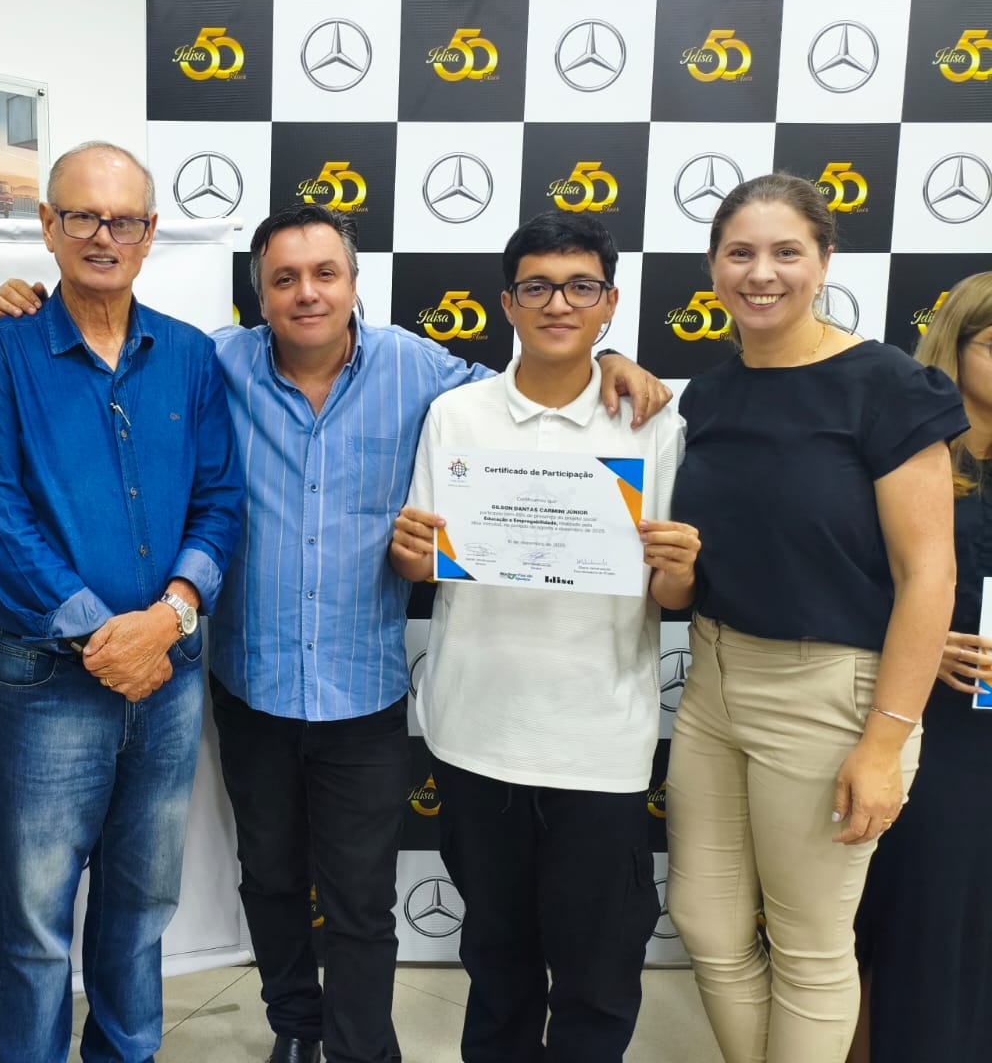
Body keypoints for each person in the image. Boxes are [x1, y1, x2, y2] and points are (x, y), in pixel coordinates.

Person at [0, 203, 671, 1063]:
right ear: (260, 295)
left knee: (360, 904)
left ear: (353, 284)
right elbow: (108, 357)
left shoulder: (418, 369)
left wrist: (608, 358)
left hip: (363, 692)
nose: (306, 292)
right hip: (252, 686)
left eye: (324, 274)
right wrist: (29, 306)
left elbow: (529, 381)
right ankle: (296, 1029)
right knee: (271, 883)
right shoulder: (211, 363)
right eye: (284, 279)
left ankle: (359, 1051)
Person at [0, 141, 244, 1063]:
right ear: (49, 226)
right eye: (81, 216)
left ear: (150, 233)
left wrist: (169, 618)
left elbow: (219, 501)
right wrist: (107, 636)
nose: (102, 236)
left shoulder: (191, 355)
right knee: (37, 921)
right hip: (46, 682)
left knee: (143, 904)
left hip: (171, 675)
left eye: (122, 220)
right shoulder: (0, 354)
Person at [665, 173, 965, 1063]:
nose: (761, 273)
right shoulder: (710, 394)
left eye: (786, 252)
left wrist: (884, 743)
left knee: (808, 944)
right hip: (714, 684)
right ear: (714, 267)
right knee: (706, 922)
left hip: (832, 695)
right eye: (740, 253)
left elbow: (928, 574)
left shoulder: (888, 387)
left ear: (824, 261)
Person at [388, 211, 697, 1063]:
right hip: (476, 735)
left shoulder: (653, 423)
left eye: (580, 286)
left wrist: (679, 570)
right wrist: (411, 556)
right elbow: (425, 566)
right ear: (508, 303)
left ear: (610, 303)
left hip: (598, 743)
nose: (558, 303)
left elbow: (673, 593)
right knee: (497, 965)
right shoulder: (455, 415)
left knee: (598, 975)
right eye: (537, 287)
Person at [849, 272, 992, 1063]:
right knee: (913, 919)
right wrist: (917, 643)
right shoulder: (906, 451)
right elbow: (839, 576)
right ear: (955, 344)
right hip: (920, 722)